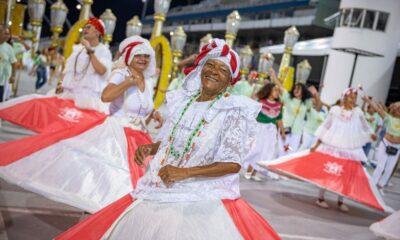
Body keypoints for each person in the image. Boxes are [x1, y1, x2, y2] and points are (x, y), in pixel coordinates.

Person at [56, 39, 280, 240]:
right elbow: (175, 141)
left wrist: (184, 173)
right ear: (200, 69)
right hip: (160, 186)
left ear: (230, 79)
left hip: (200, 198)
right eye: (209, 65)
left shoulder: (233, 110)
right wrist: (152, 148)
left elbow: (232, 164)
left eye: (222, 69)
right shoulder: (185, 102)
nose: (213, 71)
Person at [0, 36, 162, 213]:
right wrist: (127, 82)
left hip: (140, 137)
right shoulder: (121, 74)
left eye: (146, 56)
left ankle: (110, 219)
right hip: (117, 136)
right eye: (139, 55)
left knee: (133, 183)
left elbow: (141, 107)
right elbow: (106, 97)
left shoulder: (148, 81)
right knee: (110, 181)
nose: (143, 59)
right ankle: (95, 217)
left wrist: (153, 113)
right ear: (129, 56)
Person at [312, 88, 376, 212]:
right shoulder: (335, 111)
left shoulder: (358, 113)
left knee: (346, 175)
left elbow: (366, 127)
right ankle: (320, 198)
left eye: (355, 97)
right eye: (351, 97)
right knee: (329, 172)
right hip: (334, 146)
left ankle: (341, 200)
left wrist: (371, 134)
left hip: (350, 149)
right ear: (344, 98)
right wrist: (316, 146)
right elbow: (326, 126)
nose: (353, 99)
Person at [56, 17, 112, 113]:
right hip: (69, 95)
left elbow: (102, 71)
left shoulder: (104, 51)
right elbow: (68, 70)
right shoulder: (78, 49)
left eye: (89, 27)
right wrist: (61, 84)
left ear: (97, 33)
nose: (84, 29)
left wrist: (90, 50)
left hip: (88, 100)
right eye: (85, 27)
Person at [270, 67, 320, 155]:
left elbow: (318, 108)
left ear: (303, 91)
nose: (296, 90)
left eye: (298, 88)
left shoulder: (306, 103)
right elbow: (280, 86)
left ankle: (282, 166)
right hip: (284, 129)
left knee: (291, 151)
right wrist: (273, 75)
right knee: (282, 150)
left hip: (296, 133)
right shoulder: (288, 98)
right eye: (295, 88)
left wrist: (316, 95)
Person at [244, 82, 284, 181]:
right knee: (256, 149)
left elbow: (279, 119)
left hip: (271, 131)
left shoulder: (279, 105)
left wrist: (282, 132)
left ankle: (254, 173)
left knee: (266, 151)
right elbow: (253, 115)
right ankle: (248, 171)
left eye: (278, 91)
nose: (277, 92)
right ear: (269, 90)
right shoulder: (261, 102)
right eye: (275, 90)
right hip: (260, 129)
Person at [363, 97, 400, 188]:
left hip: (397, 146)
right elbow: (377, 109)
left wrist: (397, 104)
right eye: (397, 109)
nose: (398, 110)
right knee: (380, 166)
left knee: (389, 168)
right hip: (386, 143)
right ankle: (372, 184)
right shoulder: (388, 117)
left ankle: (381, 185)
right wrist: (368, 101)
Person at [0, 25, 17, 102]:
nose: (8, 36)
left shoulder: (9, 48)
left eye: (9, 34)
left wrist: (13, 76)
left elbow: (14, 63)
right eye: (5, 34)